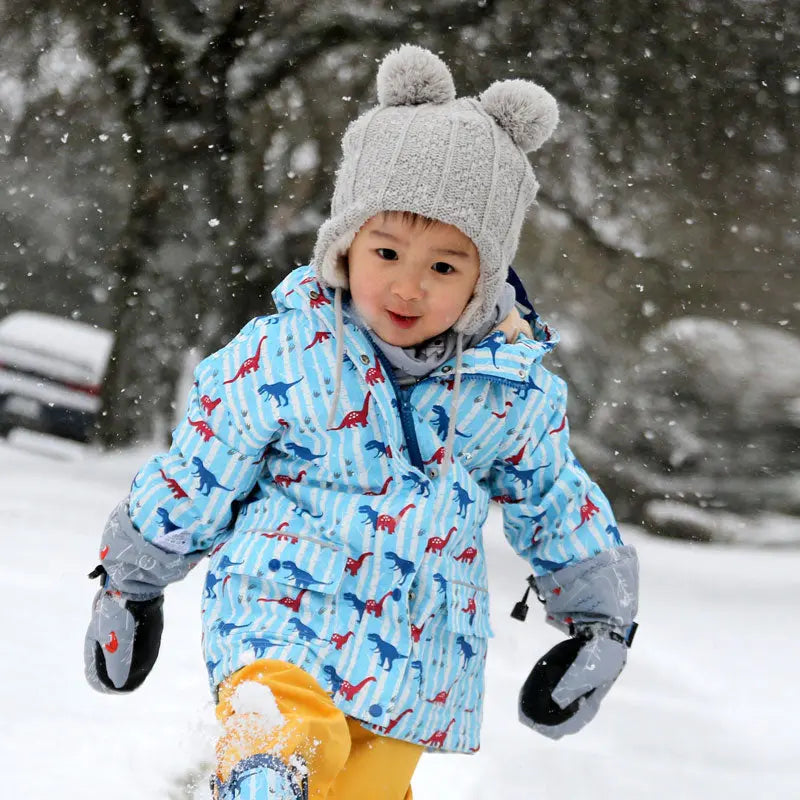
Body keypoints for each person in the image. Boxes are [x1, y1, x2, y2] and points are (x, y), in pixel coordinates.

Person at [84, 45, 639, 800]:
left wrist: (599, 624)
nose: (407, 285)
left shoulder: (509, 392)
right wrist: (131, 579)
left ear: (486, 280)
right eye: (386, 251)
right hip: (278, 616)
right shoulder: (287, 351)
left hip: (416, 652)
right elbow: (201, 466)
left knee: (365, 789)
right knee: (284, 730)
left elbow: (554, 499)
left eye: (445, 267)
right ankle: (260, 773)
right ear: (345, 244)